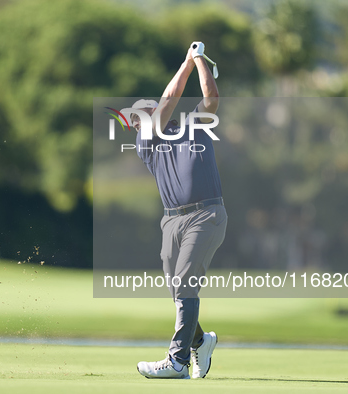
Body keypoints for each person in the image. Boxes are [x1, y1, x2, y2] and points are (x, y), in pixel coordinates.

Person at [132, 42, 227, 379]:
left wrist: (197, 60)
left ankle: (177, 361)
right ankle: (202, 341)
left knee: (185, 284)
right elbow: (169, 99)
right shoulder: (148, 142)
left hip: (206, 215)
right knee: (177, 290)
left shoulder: (196, 125)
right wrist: (190, 60)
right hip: (171, 221)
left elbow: (211, 98)